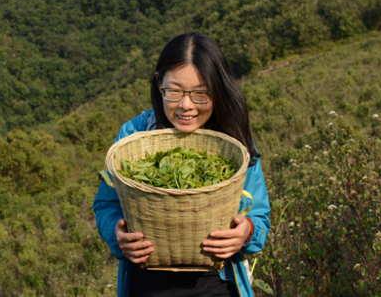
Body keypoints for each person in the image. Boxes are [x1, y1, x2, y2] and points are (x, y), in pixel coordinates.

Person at [93, 32, 270, 297]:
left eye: (201, 94)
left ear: (218, 90)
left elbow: (260, 215)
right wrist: (117, 233)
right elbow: (106, 204)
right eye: (174, 91)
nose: (186, 105)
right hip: (147, 284)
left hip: (217, 284)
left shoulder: (235, 140)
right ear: (158, 83)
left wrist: (246, 232)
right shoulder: (135, 134)